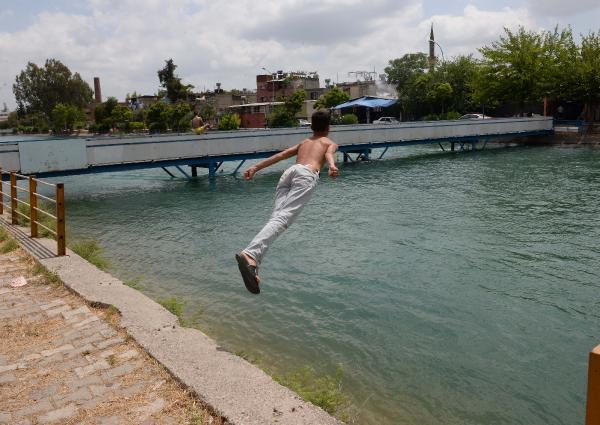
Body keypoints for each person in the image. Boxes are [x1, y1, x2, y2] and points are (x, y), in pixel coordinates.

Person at [235, 109, 339, 294]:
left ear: (312, 126)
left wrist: (256, 167)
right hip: (306, 175)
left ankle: (253, 264)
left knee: (276, 219)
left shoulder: (305, 142)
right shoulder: (329, 142)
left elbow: (282, 155)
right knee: (282, 221)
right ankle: (250, 254)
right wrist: (331, 166)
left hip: (289, 173)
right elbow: (329, 154)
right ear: (328, 128)